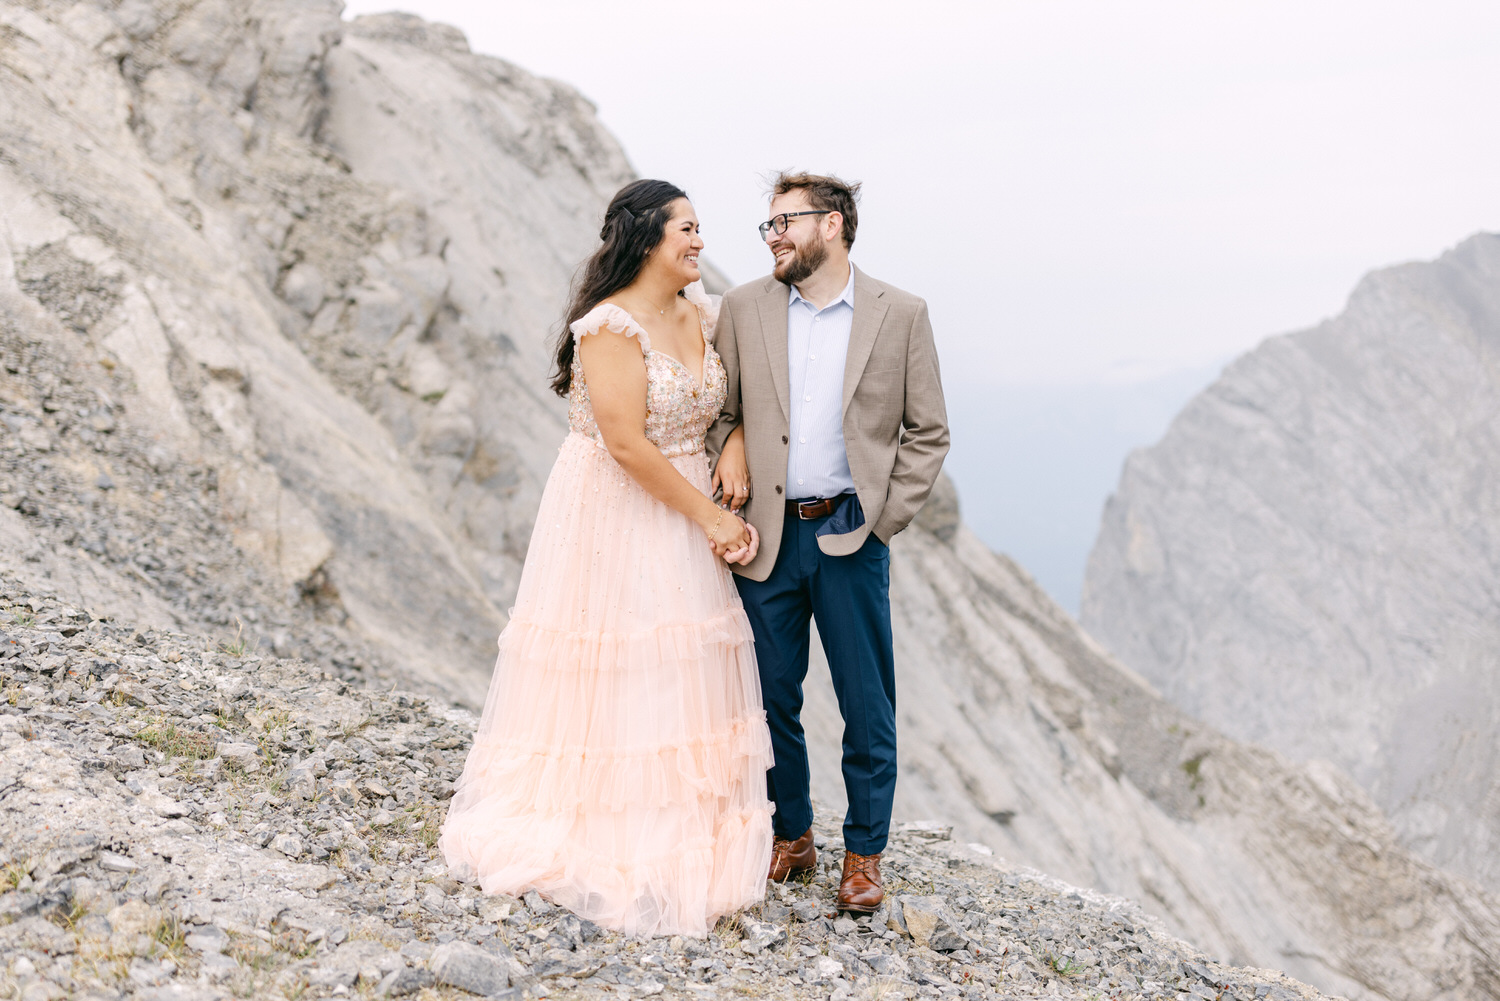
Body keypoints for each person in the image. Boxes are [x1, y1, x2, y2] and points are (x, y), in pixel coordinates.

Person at [439, 179, 774, 937]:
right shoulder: (609, 327)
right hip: (622, 509)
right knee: (625, 655)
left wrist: (739, 446)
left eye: (698, 229)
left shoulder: (705, 311)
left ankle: (681, 831)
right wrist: (713, 522)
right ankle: (618, 839)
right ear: (647, 237)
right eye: (686, 229)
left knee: (683, 659)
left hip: (689, 494)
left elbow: (735, 401)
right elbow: (625, 444)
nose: (698, 241)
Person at [708, 172, 949, 913]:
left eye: (787, 221)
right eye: (769, 225)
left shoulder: (900, 314)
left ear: (835, 224)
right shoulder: (745, 307)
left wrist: (881, 518)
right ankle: (793, 835)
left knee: (864, 704)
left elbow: (928, 431)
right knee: (768, 696)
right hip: (768, 538)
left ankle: (865, 854)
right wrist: (732, 442)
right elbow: (718, 411)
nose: (773, 234)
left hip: (851, 531)